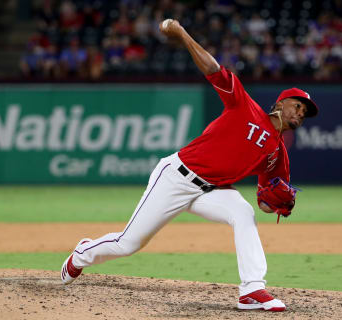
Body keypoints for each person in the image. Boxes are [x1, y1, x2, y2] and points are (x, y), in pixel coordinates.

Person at [61, 18, 319, 312]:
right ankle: (82, 254)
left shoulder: (278, 154)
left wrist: (277, 204)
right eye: (297, 105)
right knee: (128, 244)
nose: (300, 113)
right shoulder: (244, 106)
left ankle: (251, 290)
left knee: (244, 213)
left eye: (305, 112)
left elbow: (263, 201)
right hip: (176, 177)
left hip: (211, 191)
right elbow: (213, 70)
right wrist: (182, 33)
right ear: (280, 103)